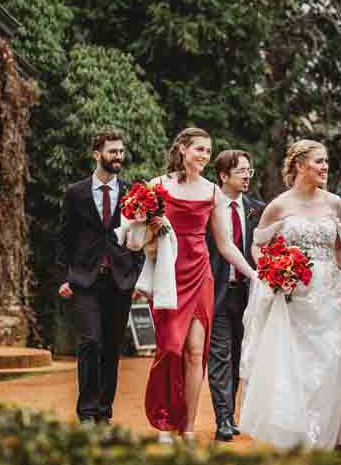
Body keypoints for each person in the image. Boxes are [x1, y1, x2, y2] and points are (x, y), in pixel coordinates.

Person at [238, 139, 341, 450]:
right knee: (294, 367)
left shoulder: (335, 203)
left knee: (328, 367)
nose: (325, 167)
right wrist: (272, 269)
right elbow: (258, 245)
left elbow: (340, 248)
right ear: (298, 165)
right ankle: (293, 439)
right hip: (293, 296)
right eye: (318, 161)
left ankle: (319, 442)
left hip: (328, 296)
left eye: (326, 162)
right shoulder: (279, 205)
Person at [143, 128, 257, 444]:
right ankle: (165, 421)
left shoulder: (212, 192)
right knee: (169, 348)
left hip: (200, 275)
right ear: (181, 149)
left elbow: (226, 245)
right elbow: (137, 233)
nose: (205, 156)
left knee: (196, 353)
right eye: (199, 150)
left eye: (208, 151)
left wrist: (253, 272)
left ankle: (188, 427)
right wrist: (151, 225)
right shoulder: (157, 185)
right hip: (168, 275)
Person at [57, 127, 146, 425]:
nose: (118, 156)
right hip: (85, 279)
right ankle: (87, 411)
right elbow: (65, 236)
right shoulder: (76, 193)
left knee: (110, 347)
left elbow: (141, 237)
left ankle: (104, 412)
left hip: (120, 280)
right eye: (112, 152)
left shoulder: (134, 193)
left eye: (121, 151)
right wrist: (65, 276)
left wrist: (136, 275)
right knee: (90, 342)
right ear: (97, 155)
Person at [205, 150, 264, 442]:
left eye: (249, 170)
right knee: (219, 354)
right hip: (216, 290)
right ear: (223, 176)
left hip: (248, 294)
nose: (247, 175)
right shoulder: (207, 209)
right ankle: (224, 418)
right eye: (241, 171)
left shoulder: (257, 209)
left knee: (240, 354)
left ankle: (231, 412)